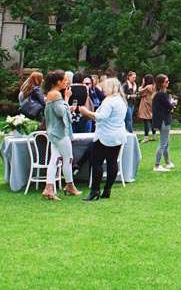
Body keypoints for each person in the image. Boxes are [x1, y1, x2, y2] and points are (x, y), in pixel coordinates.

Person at [77, 77, 128, 200]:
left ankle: (95, 190)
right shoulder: (121, 101)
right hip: (117, 135)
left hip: (105, 135)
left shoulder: (109, 101)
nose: (103, 89)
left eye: (105, 87)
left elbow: (101, 117)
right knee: (112, 162)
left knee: (96, 162)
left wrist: (86, 112)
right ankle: (107, 188)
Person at [42, 70, 82, 201]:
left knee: (54, 159)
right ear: (58, 82)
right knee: (68, 158)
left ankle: (49, 188)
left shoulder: (51, 94)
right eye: (65, 80)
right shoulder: (56, 94)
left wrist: (65, 105)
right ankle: (69, 185)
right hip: (60, 132)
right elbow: (60, 112)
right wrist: (66, 99)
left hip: (54, 131)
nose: (67, 82)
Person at [152, 74, 176, 172]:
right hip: (163, 120)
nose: (168, 83)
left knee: (166, 142)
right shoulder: (162, 94)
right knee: (163, 143)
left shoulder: (159, 94)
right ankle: (157, 165)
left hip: (162, 120)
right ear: (161, 83)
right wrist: (173, 104)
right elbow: (169, 106)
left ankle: (168, 162)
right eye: (166, 81)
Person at [137, 74, 156, 142]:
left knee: (146, 120)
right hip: (152, 104)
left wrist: (143, 84)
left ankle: (146, 137)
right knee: (152, 120)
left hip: (146, 105)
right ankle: (154, 136)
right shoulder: (154, 86)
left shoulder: (147, 87)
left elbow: (140, 92)